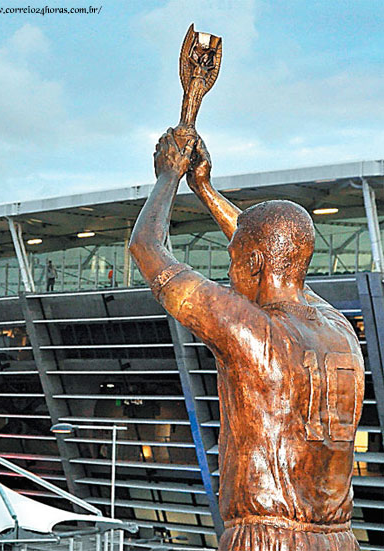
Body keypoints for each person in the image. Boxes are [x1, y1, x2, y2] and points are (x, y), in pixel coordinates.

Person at [129, 128, 364, 551]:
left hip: (265, 537)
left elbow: (147, 248)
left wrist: (168, 176)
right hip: (339, 539)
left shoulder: (253, 330)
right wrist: (203, 188)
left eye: (235, 261)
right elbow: (275, 247)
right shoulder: (338, 329)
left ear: (252, 262)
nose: (231, 273)